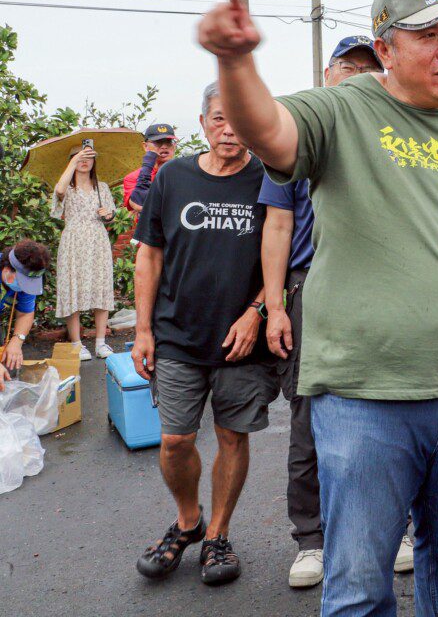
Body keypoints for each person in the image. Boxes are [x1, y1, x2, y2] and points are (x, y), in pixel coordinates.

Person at [197, 0, 438, 617]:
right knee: (357, 580)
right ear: (385, 49)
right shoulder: (344, 109)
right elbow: (269, 131)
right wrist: (235, 60)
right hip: (364, 395)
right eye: (429, 35)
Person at [131, 82, 277, 586]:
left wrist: (257, 311)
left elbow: (282, 255)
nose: (228, 129)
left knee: (232, 436)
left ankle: (218, 533)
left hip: (242, 338)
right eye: (218, 118)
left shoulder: (269, 178)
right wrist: (143, 329)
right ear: (203, 123)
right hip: (177, 333)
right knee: (175, 439)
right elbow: (149, 255)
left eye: (238, 118)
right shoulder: (173, 176)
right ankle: (188, 521)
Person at [257, 35, 387, 590]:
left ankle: (393, 527)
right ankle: (311, 538)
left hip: (379, 287)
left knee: (385, 411)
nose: (358, 77)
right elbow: (279, 225)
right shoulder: (298, 138)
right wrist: (275, 305)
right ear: (328, 73)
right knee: (309, 415)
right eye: (348, 68)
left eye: (369, 69)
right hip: (311, 288)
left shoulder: (390, 136)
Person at [51, 144, 116, 360]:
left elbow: (111, 216)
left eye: (89, 157)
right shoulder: (66, 187)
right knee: (72, 288)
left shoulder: (102, 187)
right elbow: (59, 191)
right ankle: (77, 344)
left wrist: (108, 215)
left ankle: (100, 342)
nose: (85, 161)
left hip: (98, 240)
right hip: (73, 241)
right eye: (80, 157)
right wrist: (74, 160)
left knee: (101, 286)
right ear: (72, 160)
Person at [0, 240, 52, 387]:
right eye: (22, 282)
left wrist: (17, 341)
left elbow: (25, 313)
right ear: (7, 269)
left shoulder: (26, 279)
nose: (24, 288)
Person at [123, 123, 178, 215]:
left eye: (168, 142)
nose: (164, 146)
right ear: (145, 146)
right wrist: (149, 161)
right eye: (158, 142)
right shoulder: (132, 177)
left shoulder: (185, 172)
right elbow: (139, 203)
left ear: (174, 146)